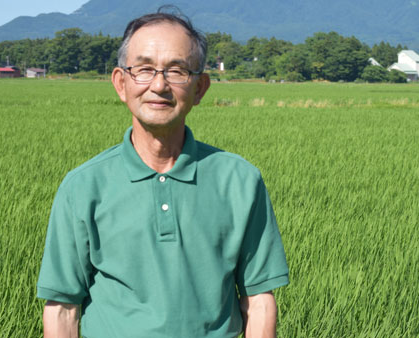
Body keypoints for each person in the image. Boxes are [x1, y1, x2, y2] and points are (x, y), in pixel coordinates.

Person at [37, 8, 289, 338]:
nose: (159, 85)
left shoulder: (240, 181)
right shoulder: (83, 186)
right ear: (121, 83)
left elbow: (258, 301)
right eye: (143, 70)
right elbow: (62, 307)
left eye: (177, 71)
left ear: (200, 88)